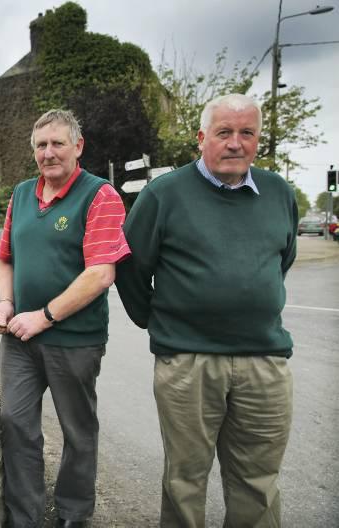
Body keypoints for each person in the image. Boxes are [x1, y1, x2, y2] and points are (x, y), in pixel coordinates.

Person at [115, 93, 297, 527]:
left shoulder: (279, 193)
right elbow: (131, 267)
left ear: (257, 140)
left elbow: (280, 261)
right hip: (188, 362)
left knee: (259, 482)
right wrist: (159, 322)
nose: (235, 143)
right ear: (202, 138)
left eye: (246, 133)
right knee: (185, 481)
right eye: (224, 132)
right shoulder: (164, 194)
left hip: (264, 364)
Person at [0, 109, 129, 527]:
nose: (48, 153)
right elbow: (5, 259)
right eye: (41, 146)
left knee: (78, 431)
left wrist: (44, 316)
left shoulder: (100, 195)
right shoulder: (22, 195)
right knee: (16, 423)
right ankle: (25, 516)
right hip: (20, 339)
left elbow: (101, 272)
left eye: (57, 143)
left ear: (78, 146)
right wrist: (6, 304)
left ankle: (73, 513)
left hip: (75, 340)